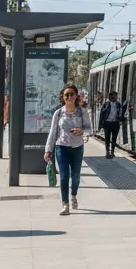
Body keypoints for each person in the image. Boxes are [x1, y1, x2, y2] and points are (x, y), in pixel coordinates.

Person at [44, 85, 92, 215]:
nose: (69, 97)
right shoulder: (58, 113)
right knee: (64, 177)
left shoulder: (82, 112)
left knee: (75, 176)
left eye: (72, 94)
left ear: (76, 96)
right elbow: (52, 132)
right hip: (61, 148)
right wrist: (48, 150)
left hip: (77, 148)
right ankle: (65, 205)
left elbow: (89, 129)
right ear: (63, 97)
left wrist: (82, 131)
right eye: (67, 95)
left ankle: (74, 195)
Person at [98, 90, 125, 159]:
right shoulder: (106, 104)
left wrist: (121, 119)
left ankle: (112, 152)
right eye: (112, 96)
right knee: (107, 138)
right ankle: (107, 152)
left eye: (115, 96)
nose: (114, 97)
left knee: (114, 139)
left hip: (115, 123)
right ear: (110, 97)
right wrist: (101, 124)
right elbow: (102, 114)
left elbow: (121, 113)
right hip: (107, 123)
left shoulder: (118, 105)